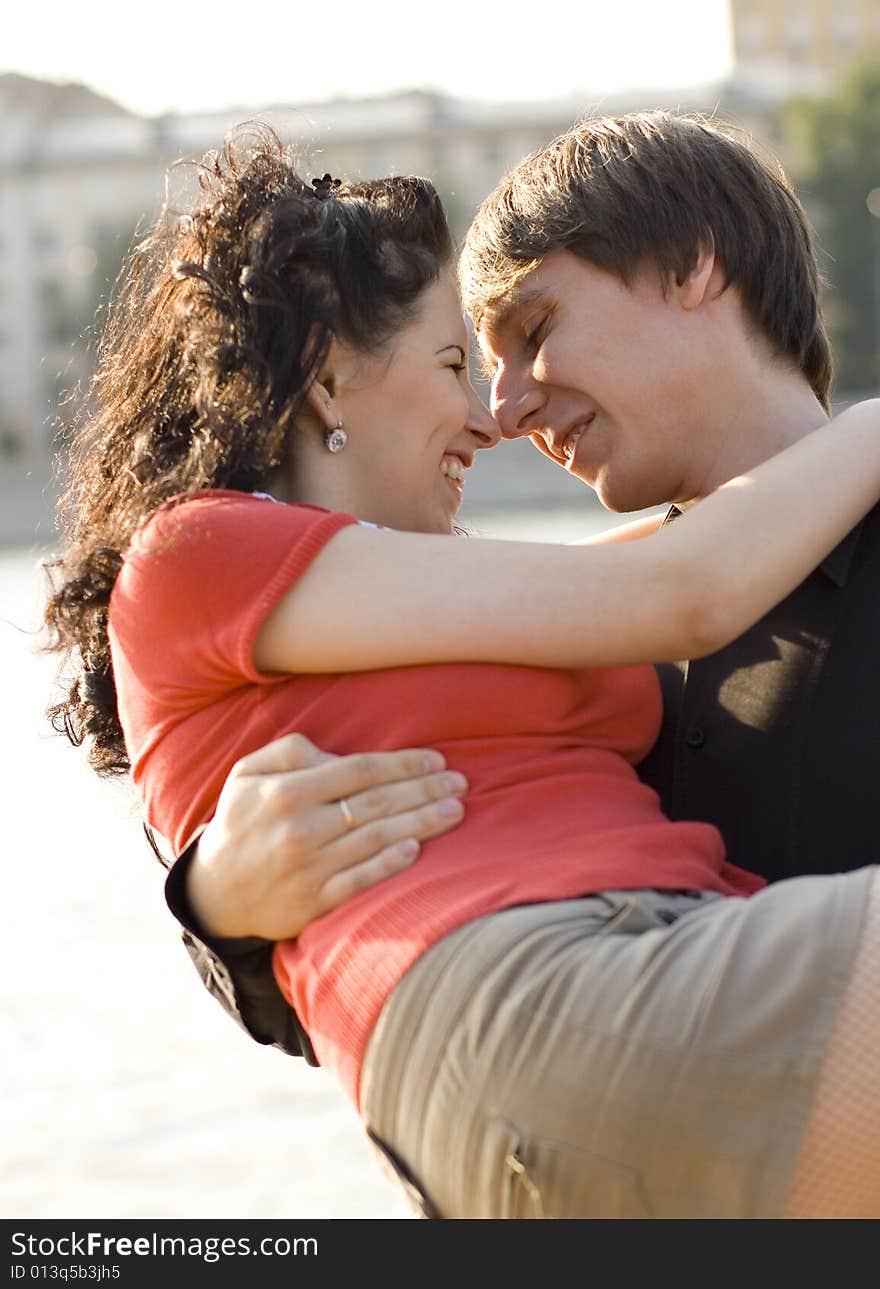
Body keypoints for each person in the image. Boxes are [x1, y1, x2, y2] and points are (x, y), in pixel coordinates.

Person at [45, 121, 880, 1219]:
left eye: (534, 330)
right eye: (467, 361)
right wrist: (218, 903)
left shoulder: (577, 619)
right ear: (327, 380)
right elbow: (678, 584)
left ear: (693, 265)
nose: (506, 411)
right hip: (595, 1043)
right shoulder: (618, 628)